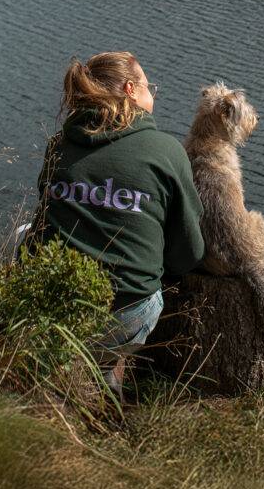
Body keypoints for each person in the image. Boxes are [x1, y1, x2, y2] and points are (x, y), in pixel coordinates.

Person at [25, 51, 205, 397]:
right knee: (140, 293)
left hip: (46, 308)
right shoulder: (166, 150)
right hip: (125, 318)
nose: (153, 93)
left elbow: (46, 216)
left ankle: (84, 381)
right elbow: (189, 253)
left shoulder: (58, 145)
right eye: (149, 86)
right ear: (130, 89)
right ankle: (106, 381)